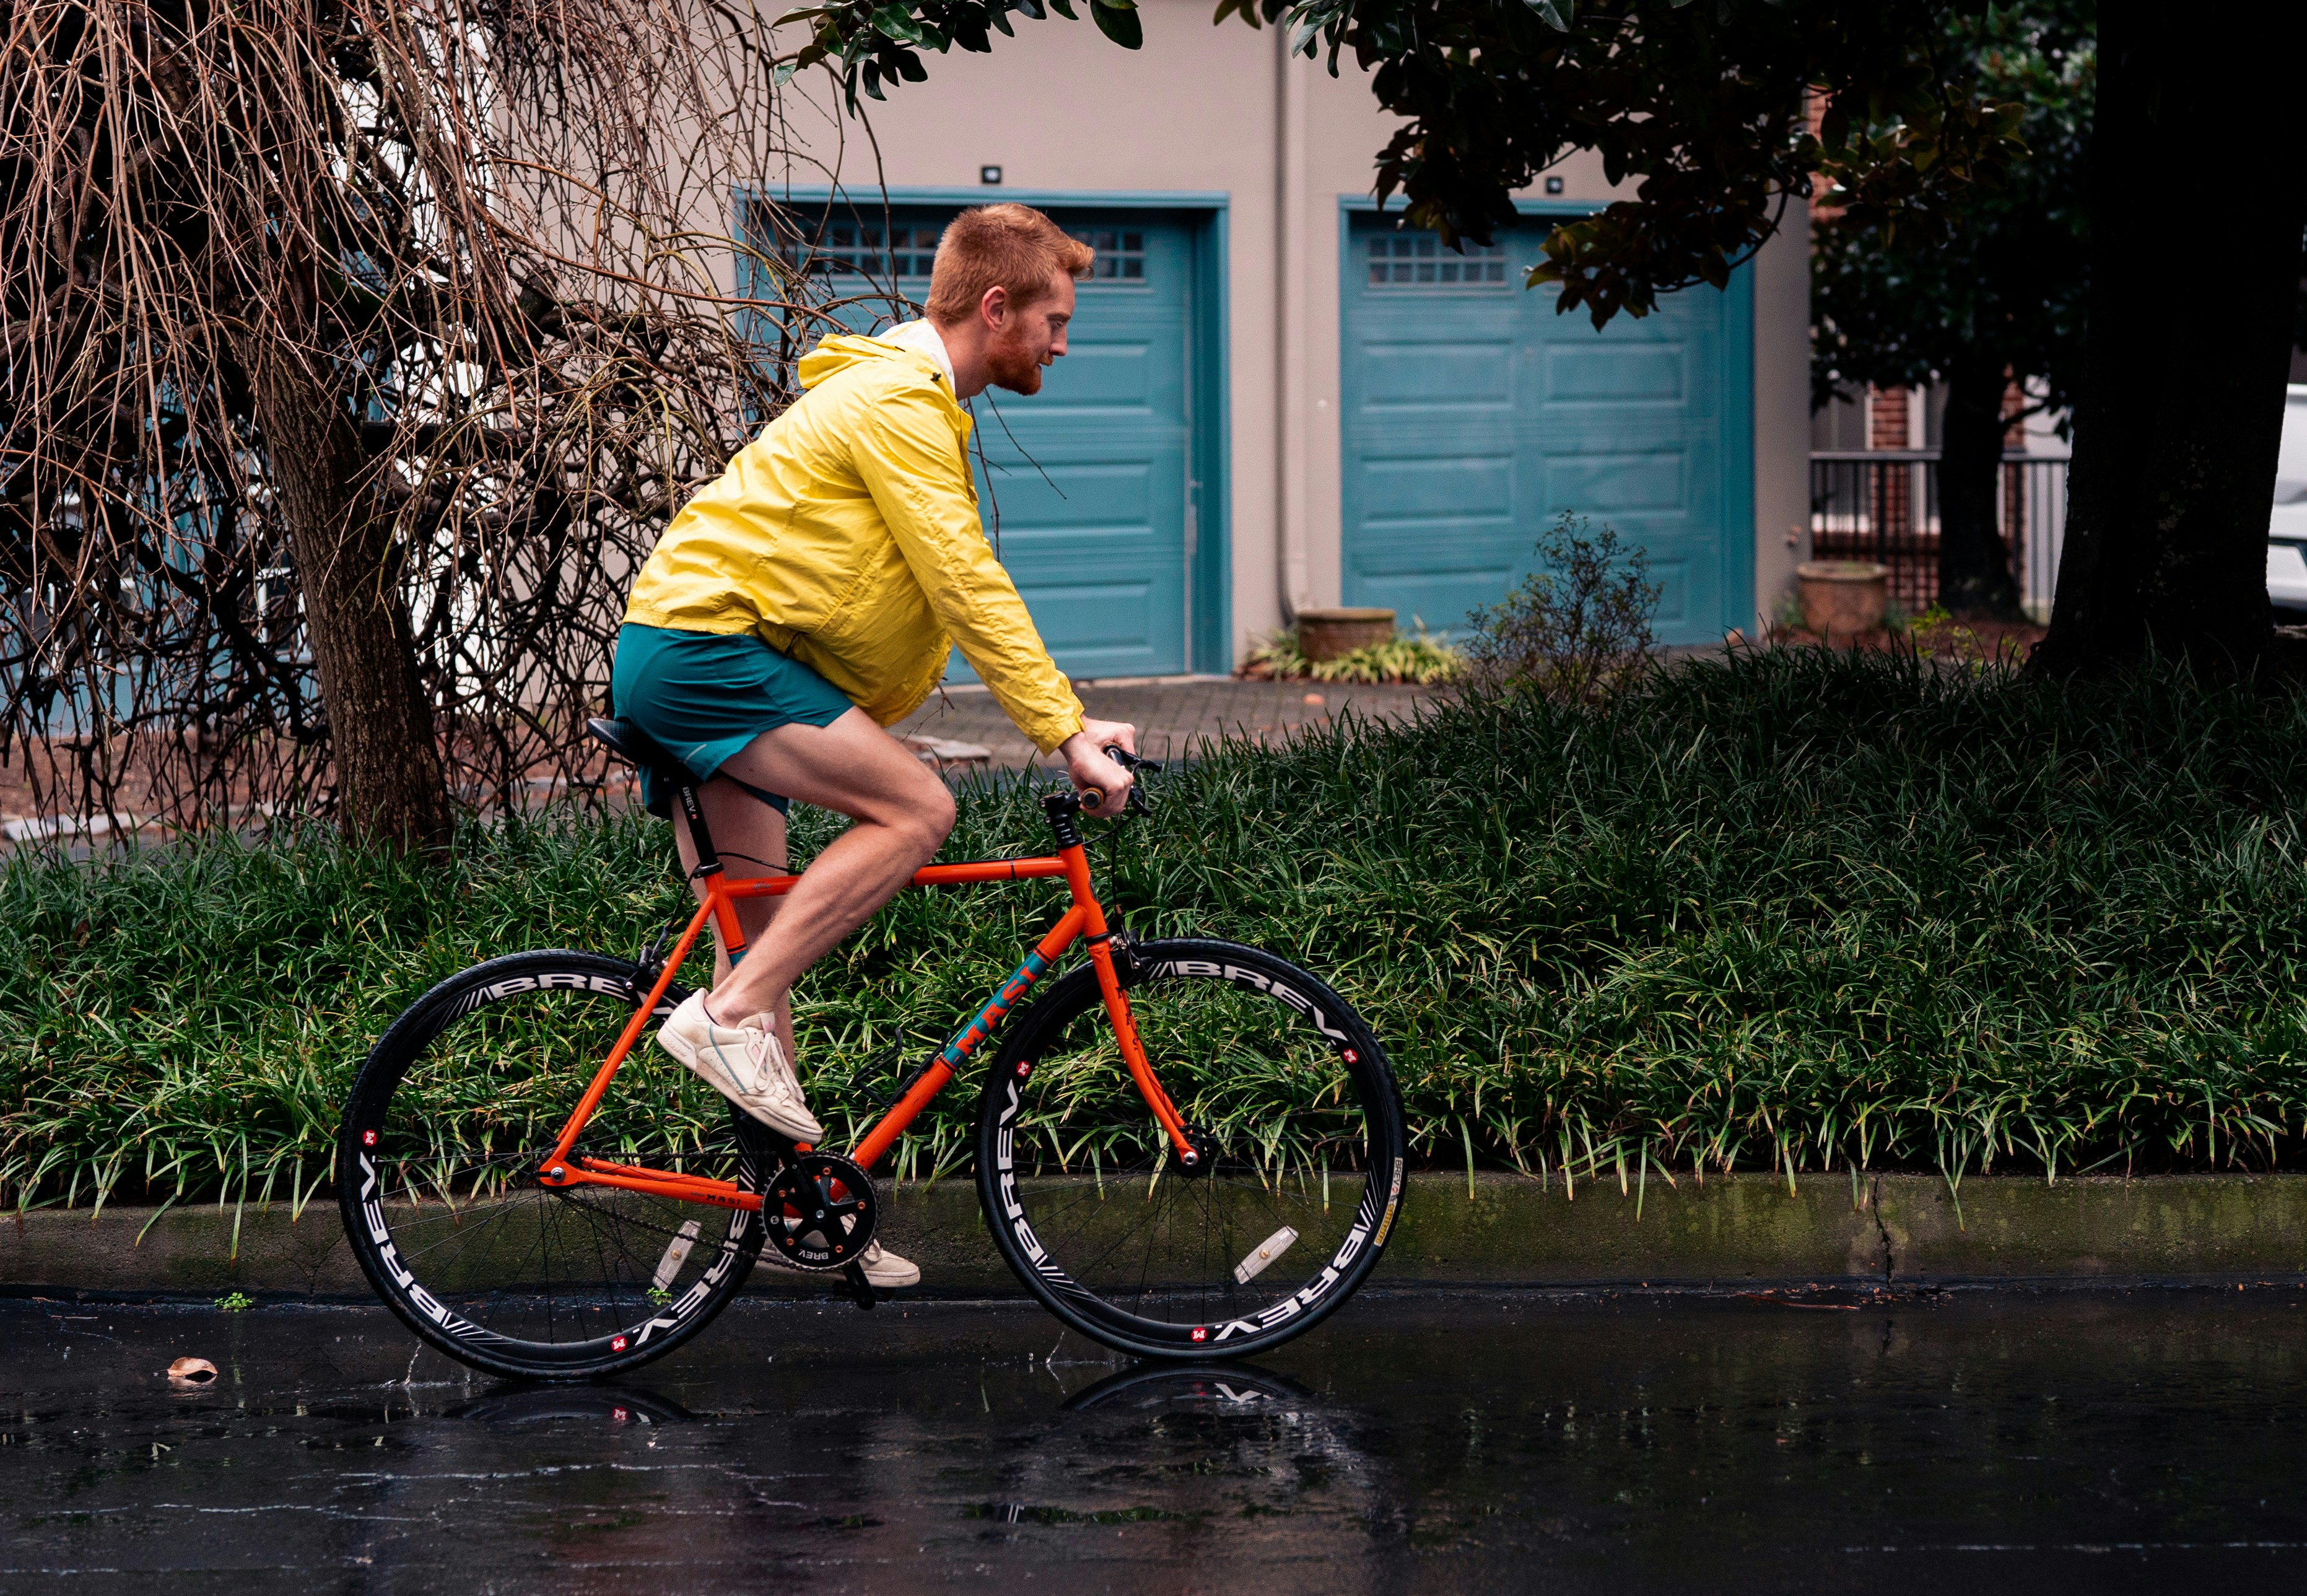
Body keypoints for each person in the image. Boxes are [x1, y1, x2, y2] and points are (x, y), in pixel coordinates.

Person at [612, 203, 1138, 1288]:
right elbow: (964, 578)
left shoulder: (913, 401)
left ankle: (803, 1219)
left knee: (760, 939)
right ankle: (723, 1018)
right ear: (995, 309)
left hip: (701, 650)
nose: (1061, 343)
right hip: (702, 653)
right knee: (916, 811)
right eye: (1053, 319)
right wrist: (1066, 730)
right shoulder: (898, 402)